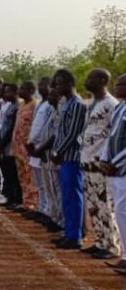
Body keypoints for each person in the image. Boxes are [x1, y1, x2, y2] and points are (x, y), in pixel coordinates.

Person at [78, 68, 120, 260]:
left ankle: (111, 245)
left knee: (105, 205)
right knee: (94, 205)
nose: (87, 80)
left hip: (100, 163)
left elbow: (114, 135)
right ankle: (100, 241)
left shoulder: (111, 105)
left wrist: (108, 159)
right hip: (87, 161)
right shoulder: (94, 103)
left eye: (91, 77)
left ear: (102, 80)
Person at [50, 69, 88, 250]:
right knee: (67, 196)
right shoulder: (66, 104)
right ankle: (70, 232)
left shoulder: (78, 105)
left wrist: (59, 151)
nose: (57, 87)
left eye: (60, 83)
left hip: (72, 157)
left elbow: (73, 133)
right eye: (56, 84)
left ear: (70, 83)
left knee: (73, 196)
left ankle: (75, 237)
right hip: (64, 157)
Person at [99, 74, 126, 274]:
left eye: (120, 84)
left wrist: (114, 162)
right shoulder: (119, 108)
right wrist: (104, 158)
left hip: (122, 169)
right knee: (120, 211)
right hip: (115, 170)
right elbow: (111, 137)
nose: (116, 87)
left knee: (123, 211)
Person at [25, 78, 58, 227]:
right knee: (40, 183)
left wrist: (38, 146)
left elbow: (50, 130)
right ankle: (42, 208)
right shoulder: (41, 104)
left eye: (44, 85)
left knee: (48, 184)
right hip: (35, 147)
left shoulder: (52, 106)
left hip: (43, 148)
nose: (41, 88)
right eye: (39, 85)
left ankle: (47, 211)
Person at [0, 83, 20, 208]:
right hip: (3, 142)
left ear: (15, 93)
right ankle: (8, 196)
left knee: (12, 172)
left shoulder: (17, 107)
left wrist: (2, 143)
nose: (5, 94)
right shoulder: (9, 106)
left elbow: (11, 128)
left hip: (9, 144)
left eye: (9, 92)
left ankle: (15, 199)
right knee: (6, 170)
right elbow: (2, 125)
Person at [11, 81, 37, 212]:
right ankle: (26, 202)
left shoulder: (35, 106)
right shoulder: (21, 105)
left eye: (23, 88)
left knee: (31, 176)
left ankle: (34, 204)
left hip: (28, 148)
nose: (20, 91)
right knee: (22, 176)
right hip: (18, 147)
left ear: (31, 90)